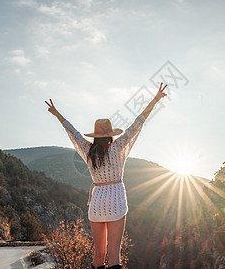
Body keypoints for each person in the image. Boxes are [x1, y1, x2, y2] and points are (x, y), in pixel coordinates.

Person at [45, 82, 168, 269]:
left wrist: (57, 114)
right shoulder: (119, 147)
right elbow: (138, 122)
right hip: (116, 200)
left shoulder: (88, 150)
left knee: (98, 254)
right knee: (114, 255)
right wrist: (155, 99)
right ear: (110, 134)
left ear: (95, 136)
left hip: (96, 203)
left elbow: (72, 132)